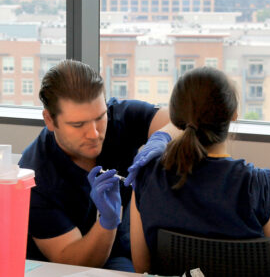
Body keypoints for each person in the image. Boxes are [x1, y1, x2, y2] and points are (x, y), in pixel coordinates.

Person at [19, 59, 175, 272]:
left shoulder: (118, 117)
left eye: (99, 118)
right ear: (49, 120)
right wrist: (107, 223)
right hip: (78, 265)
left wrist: (163, 137)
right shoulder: (36, 176)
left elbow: (180, 122)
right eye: (78, 124)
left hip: (127, 243)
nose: (94, 133)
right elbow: (72, 261)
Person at [130, 67, 270, 273]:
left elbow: (142, 268)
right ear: (234, 114)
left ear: (177, 118)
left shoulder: (146, 177)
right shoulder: (263, 188)